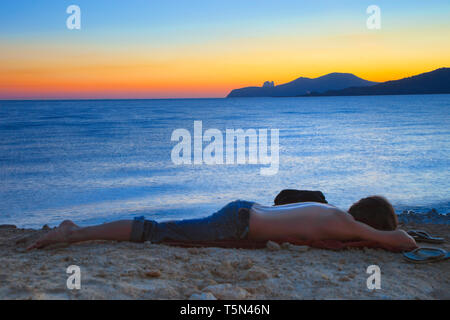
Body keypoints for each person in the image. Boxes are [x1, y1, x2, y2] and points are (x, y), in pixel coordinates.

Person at [27, 196, 417, 251]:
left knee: (163, 229)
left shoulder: (330, 211)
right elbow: (405, 243)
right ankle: (73, 232)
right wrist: (381, 238)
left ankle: (77, 228)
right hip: (236, 225)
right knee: (155, 231)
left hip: (245, 213)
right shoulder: (347, 225)